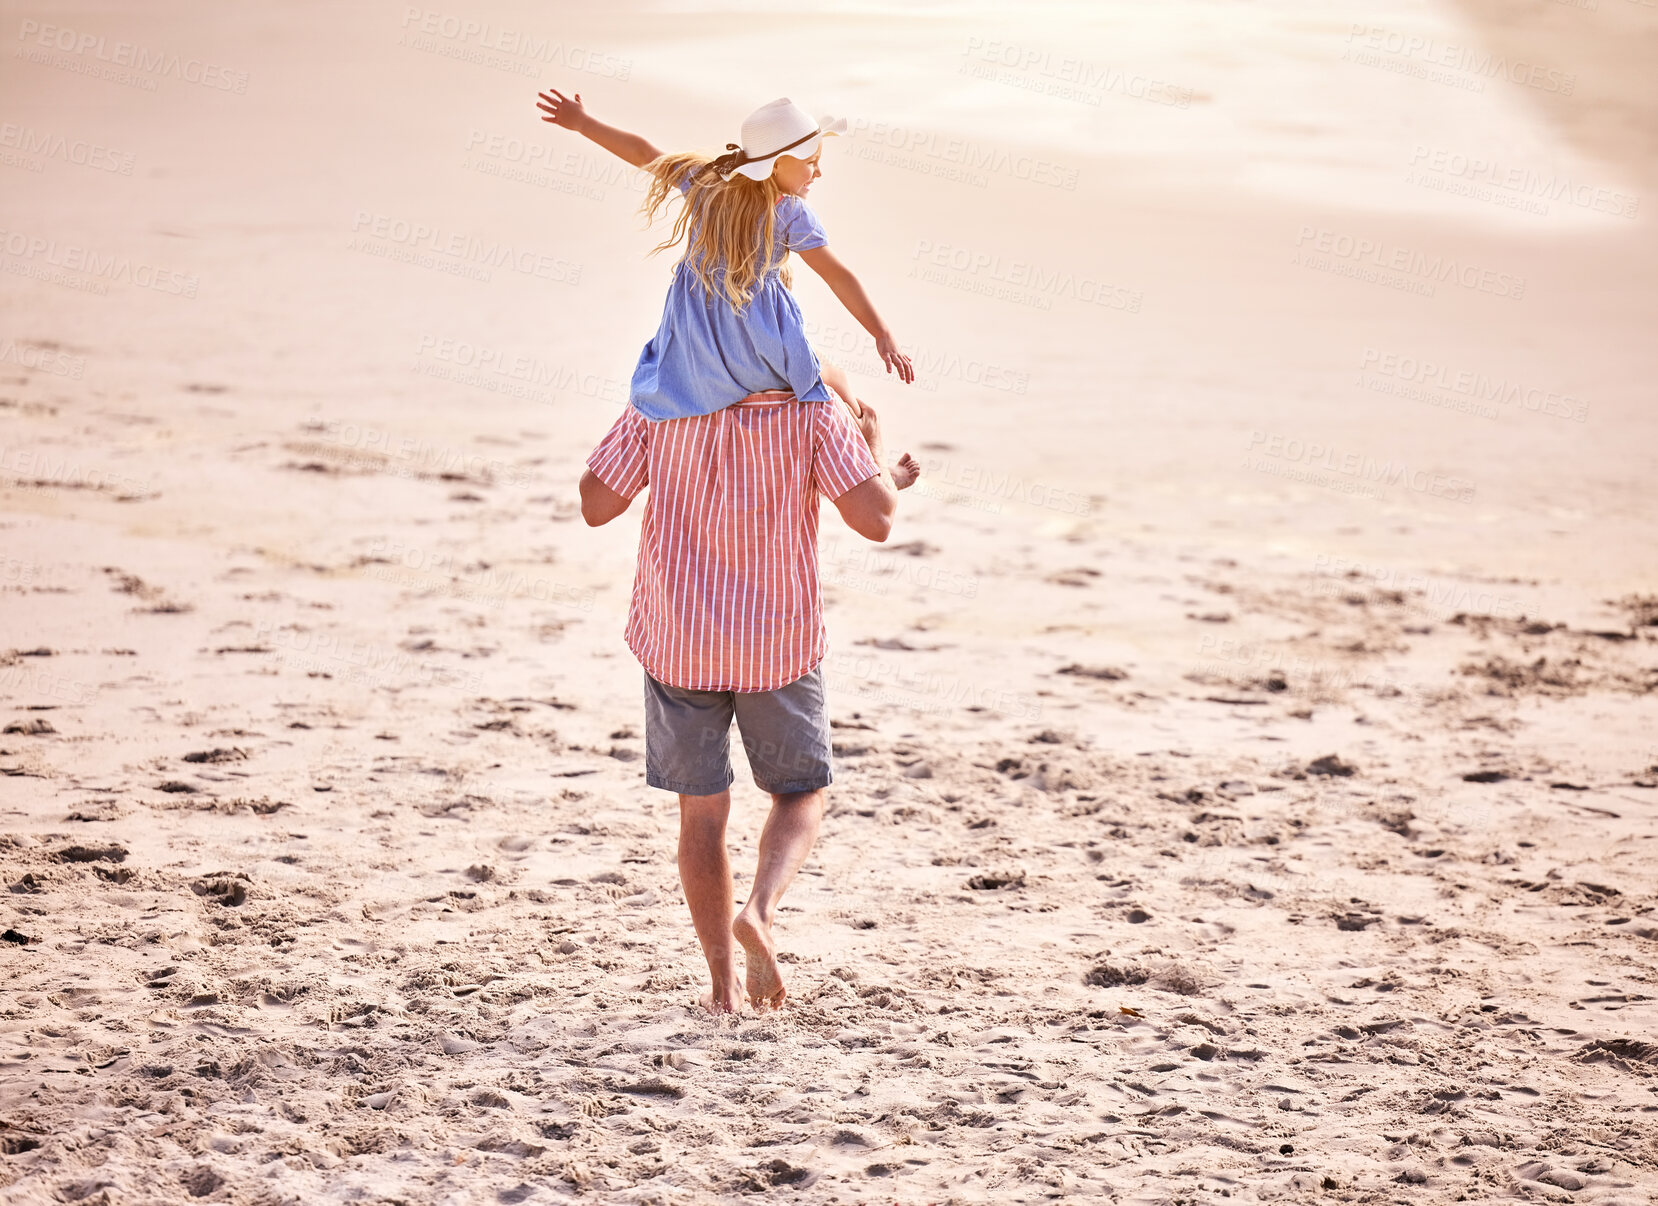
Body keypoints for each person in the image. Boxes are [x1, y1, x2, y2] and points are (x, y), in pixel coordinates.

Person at [578, 374, 907, 1015]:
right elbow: (877, 521)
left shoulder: (660, 396)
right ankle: (759, 910)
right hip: (775, 644)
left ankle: (724, 988)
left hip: (680, 637)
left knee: (701, 816)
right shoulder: (814, 410)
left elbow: (596, 505)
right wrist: (872, 453)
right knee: (800, 794)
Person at [536, 89, 916, 431]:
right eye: (811, 161)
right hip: (760, 354)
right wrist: (881, 334)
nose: (818, 171)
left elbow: (645, 154)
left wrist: (583, 123)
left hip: (694, 348)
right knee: (832, 374)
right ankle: (870, 447)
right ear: (777, 163)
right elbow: (837, 275)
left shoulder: (706, 184)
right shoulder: (790, 213)